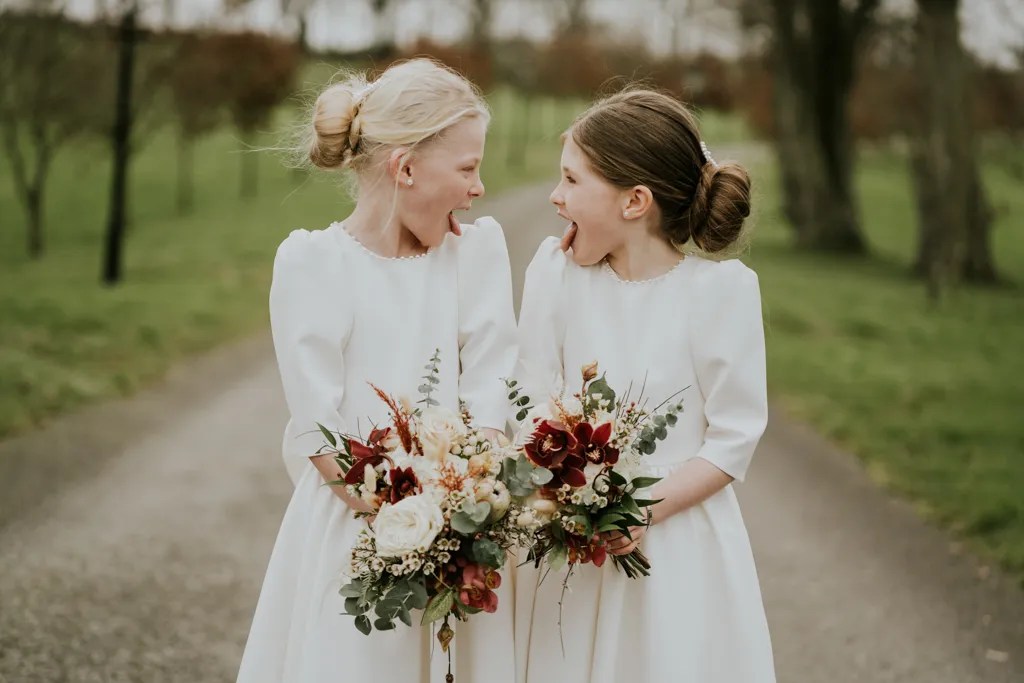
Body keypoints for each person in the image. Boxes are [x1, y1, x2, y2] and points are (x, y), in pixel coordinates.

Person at [237, 58, 517, 683]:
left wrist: (463, 514)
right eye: (468, 168)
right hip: (355, 532)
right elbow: (319, 429)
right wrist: (398, 527)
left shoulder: (474, 254)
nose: (478, 188)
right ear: (406, 167)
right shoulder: (315, 264)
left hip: (461, 538)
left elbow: (492, 385)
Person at [514, 88, 775, 683]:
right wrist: (566, 488)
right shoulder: (554, 276)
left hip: (679, 552)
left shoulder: (720, 293)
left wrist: (639, 511)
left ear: (635, 201)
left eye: (572, 181)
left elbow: (733, 437)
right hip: (571, 556)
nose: (555, 197)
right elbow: (527, 399)